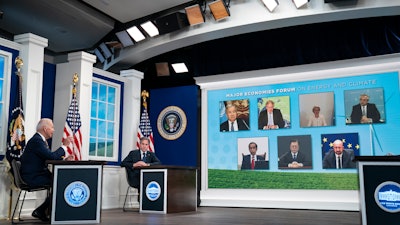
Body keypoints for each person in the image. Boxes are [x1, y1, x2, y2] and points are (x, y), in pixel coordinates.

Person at [20, 118, 74, 221]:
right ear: (45, 128)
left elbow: (48, 158)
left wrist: (65, 159)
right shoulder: (37, 141)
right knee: (61, 183)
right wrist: (65, 146)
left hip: (38, 175)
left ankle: (45, 211)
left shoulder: (39, 140)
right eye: (52, 127)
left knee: (61, 182)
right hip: (32, 177)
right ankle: (42, 211)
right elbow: (51, 157)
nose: (53, 130)